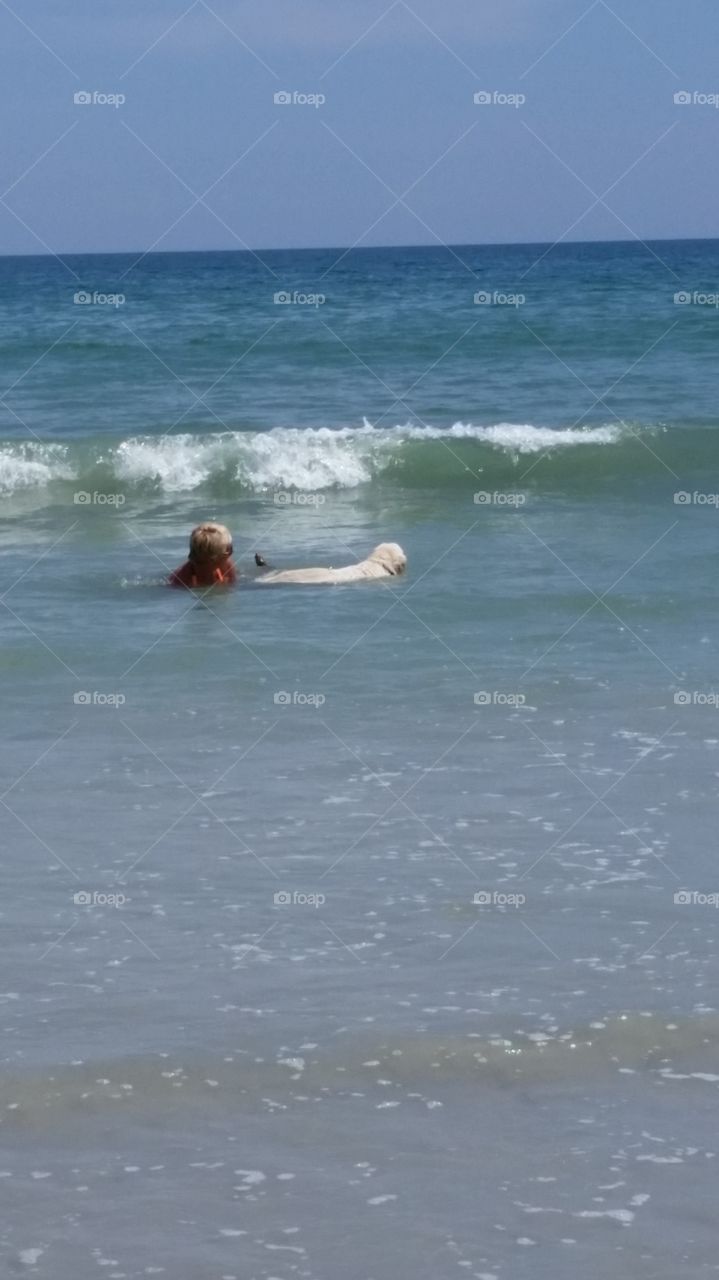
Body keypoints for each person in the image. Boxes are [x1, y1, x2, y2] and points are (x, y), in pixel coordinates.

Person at [169, 522, 237, 588]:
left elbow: (233, 582)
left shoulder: (227, 564)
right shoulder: (182, 577)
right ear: (228, 552)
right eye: (230, 547)